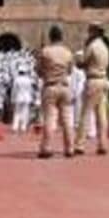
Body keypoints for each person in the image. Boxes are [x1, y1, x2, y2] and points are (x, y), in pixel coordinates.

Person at [35, 25, 74, 158]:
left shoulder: (45, 51)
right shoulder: (68, 52)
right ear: (61, 37)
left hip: (50, 86)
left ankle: (46, 147)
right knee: (67, 119)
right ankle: (70, 148)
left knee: (50, 118)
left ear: (50, 37)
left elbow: (38, 71)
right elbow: (70, 71)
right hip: (64, 86)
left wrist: (46, 73)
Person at [74, 22, 109, 155]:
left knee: (85, 113)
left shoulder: (92, 46)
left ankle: (80, 145)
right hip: (104, 80)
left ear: (95, 32)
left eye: (90, 31)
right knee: (102, 115)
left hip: (93, 80)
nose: (88, 33)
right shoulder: (105, 47)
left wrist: (78, 57)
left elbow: (82, 63)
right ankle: (103, 144)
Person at [10, 64, 33, 133]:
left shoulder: (16, 80)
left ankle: (15, 127)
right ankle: (23, 127)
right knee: (25, 113)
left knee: (17, 113)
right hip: (27, 98)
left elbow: (14, 90)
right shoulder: (28, 80)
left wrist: (12, 99)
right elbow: (30, 90)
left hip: (18, 97)